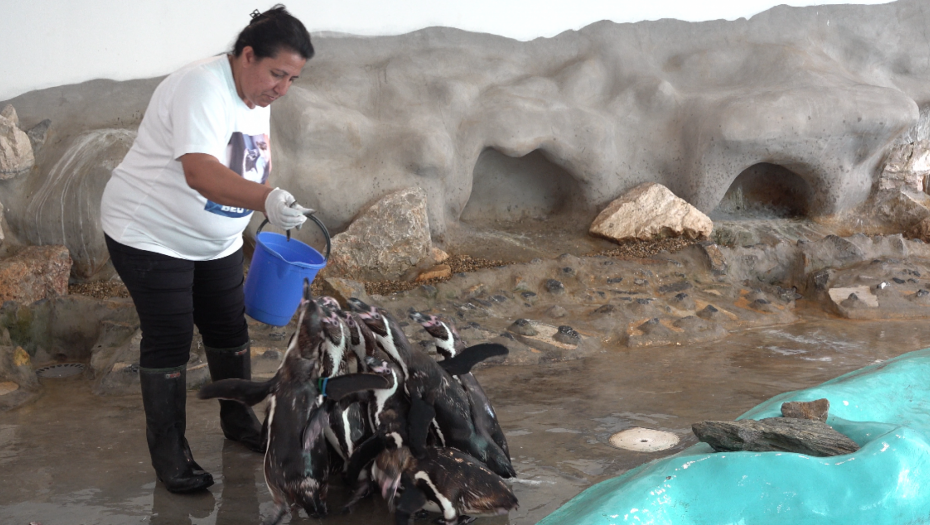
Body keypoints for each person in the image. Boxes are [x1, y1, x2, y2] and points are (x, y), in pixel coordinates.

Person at [100, 5, 313, 493]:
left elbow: (242, 159)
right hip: (150, 233)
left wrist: (266, 206)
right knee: (171, 335)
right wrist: (265, 199)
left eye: (292, 79)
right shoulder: (200, 86)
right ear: (246, 55)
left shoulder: (259, 94)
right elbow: (200, 171)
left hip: (214, 240)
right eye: (277, 73)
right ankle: (171, 455)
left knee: (227, 326)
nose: (282, 89)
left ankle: (239, 424)